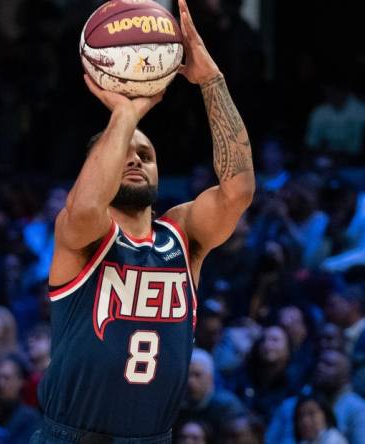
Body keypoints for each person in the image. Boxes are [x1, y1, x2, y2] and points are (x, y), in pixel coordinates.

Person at [35, 0, 255, 440]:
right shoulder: (83, 236)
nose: (135, 160)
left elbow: (238, 191)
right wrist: (125, 112)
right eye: (125, 153)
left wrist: (211, 79)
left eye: (147, 155)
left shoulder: (183, 233)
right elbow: (83, 209)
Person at [178, 349, 247, 434]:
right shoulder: (178, 408)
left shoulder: (227, 406)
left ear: (210, 378)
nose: (190, 381)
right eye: (186, 376)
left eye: (197, 375)